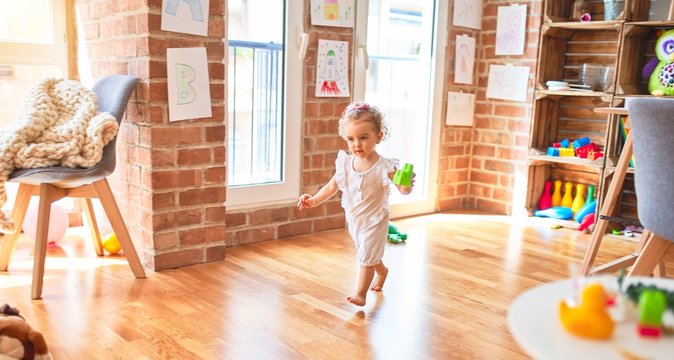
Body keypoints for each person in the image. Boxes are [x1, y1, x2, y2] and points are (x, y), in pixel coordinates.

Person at [297, 102, 414, 306]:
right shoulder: (345, 163)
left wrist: (406, 185)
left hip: (375, 220)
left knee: (366, 255)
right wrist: (314, 200)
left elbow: (402, 189)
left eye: (364, 138)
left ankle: (361, 293)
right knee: (367, 253)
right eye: (351, 139)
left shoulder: (384, 166)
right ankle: (382, 271)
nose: (357, 144)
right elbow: (332, 186)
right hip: (355, 219)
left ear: (378, 137)